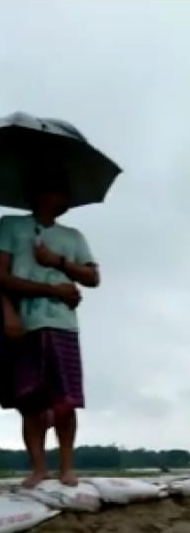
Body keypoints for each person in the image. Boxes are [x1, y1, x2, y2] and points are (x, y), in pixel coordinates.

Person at [0, 170, 99, 487]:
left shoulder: (73, 237)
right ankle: (38, 468)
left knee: (65, 401)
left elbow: (92, 278)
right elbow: (1, 277)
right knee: (29, 401)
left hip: (62, 325)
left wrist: (56, 262)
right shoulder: (10, 226)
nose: (65, 199)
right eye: (59, 191)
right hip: (24, 323)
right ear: (39, 194)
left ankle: (67, 466)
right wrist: (47, 293)